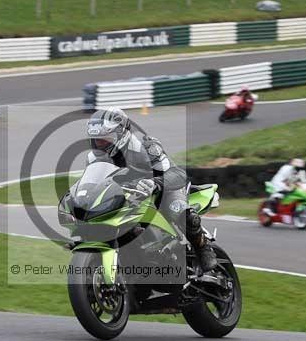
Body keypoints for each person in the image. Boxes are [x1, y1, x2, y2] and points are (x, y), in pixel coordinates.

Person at [85, 108, 217, 271]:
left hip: (163, 191)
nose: (100, 144)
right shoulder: (93, 158)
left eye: (105, 139)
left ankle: (203, 248)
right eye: (97, 140)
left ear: (121, 134)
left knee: (181, 212)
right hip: (127, 197)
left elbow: (177, 174)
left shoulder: (145, 146)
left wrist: (155, 183)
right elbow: (93, 184)